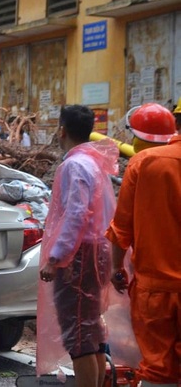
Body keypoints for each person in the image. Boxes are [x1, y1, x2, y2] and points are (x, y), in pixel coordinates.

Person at [37, 105, 118, 387]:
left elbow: (76, 213)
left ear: (62, 130)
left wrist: (56, 257)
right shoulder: (93, 162)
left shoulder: (74, 165)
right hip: (96, 251)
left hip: (79, 257)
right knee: (91, 333)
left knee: (80, 336)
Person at [105, 102, 180, 387]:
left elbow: (121, 227)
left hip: (155, 289)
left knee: (158, 369)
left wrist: (115, 267)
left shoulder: (143, 162)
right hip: (156, 286)